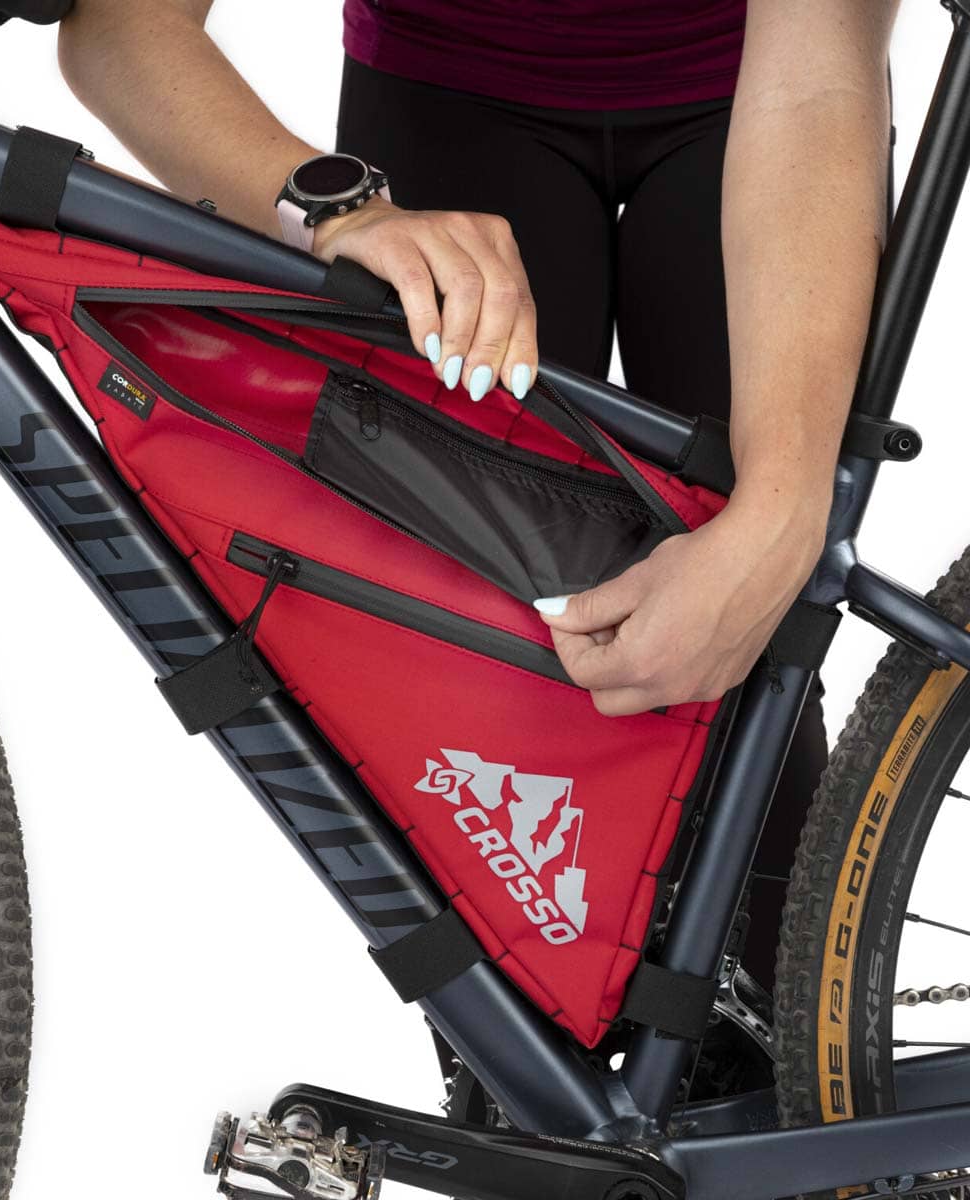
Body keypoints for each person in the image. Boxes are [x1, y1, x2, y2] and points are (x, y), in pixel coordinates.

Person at [55, 0, 900, 996]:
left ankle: (806, 1062)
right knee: (473, 666)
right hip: (448, 82)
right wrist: (334, 209)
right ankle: (520, 1069)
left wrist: (781, 519)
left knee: (748, 648)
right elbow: (122, 27)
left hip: (771, 77)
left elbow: (815, 72)